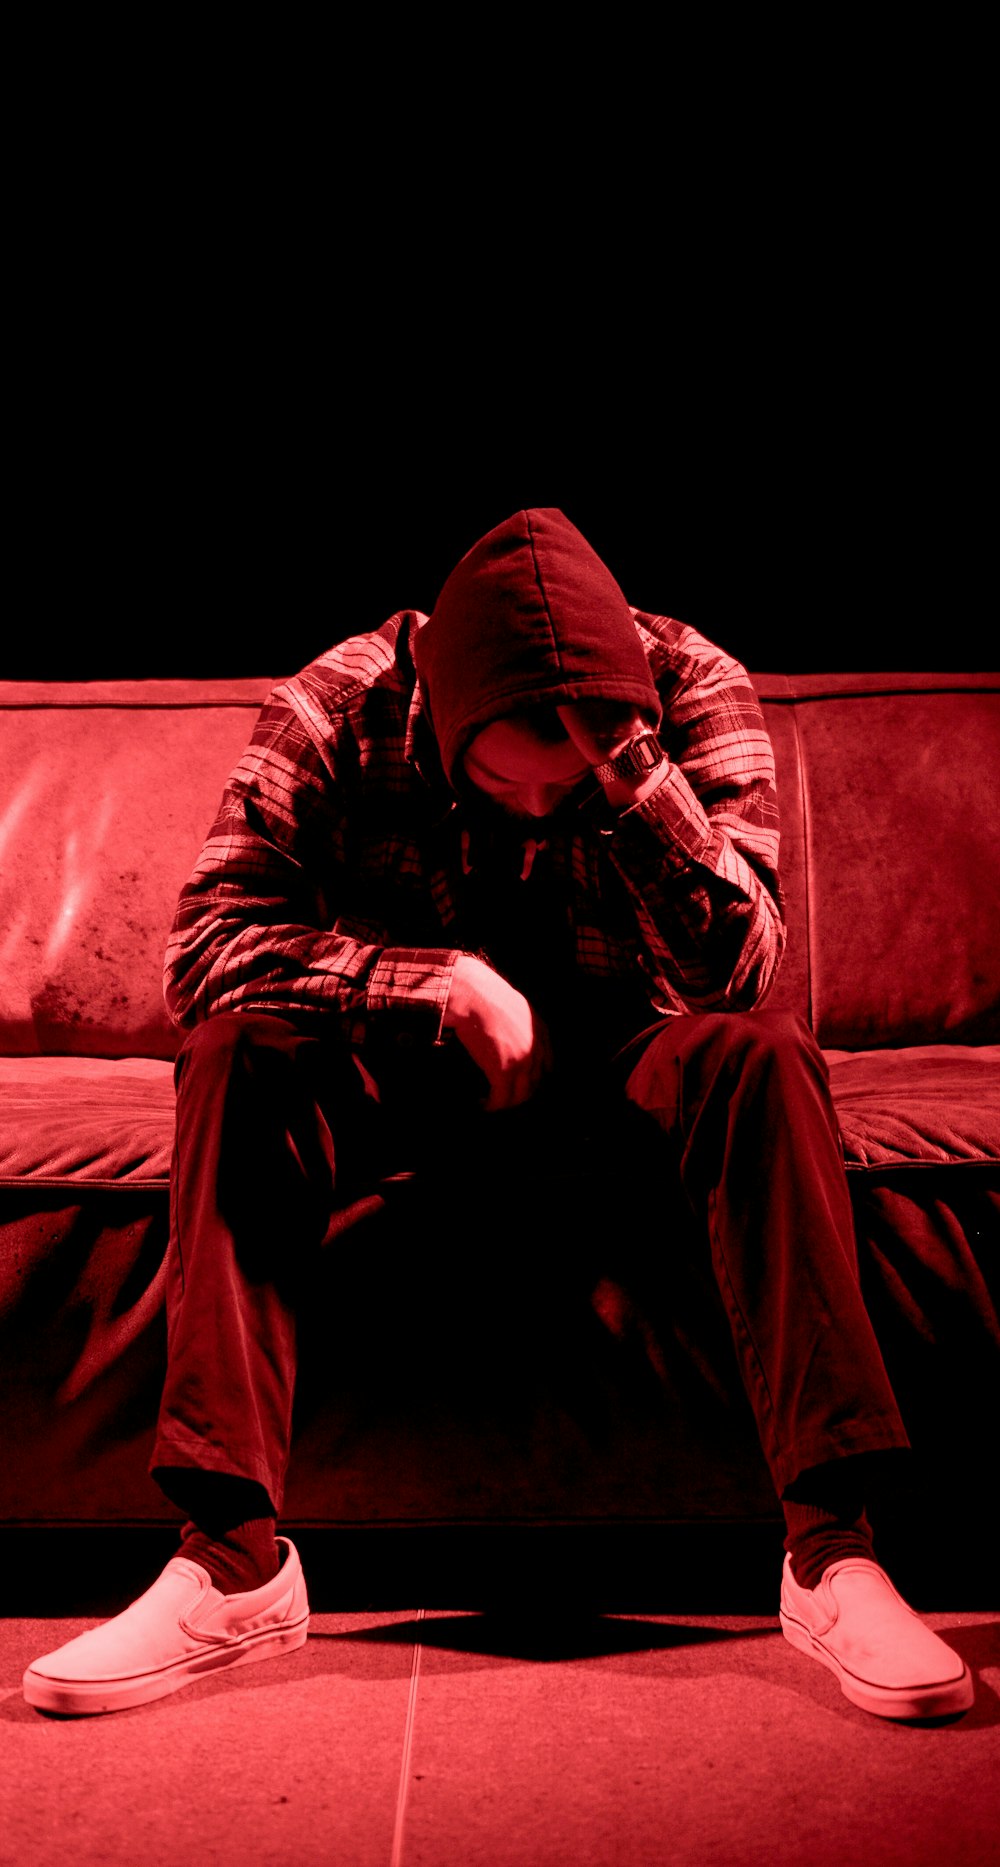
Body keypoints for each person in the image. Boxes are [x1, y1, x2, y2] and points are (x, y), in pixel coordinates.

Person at [23, 507, 973, 1721]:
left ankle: (834, 1553)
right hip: (407, 1069)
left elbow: (740, 974)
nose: (533, 809)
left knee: (763, 1053)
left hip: (632, 1055)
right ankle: (231, 1566)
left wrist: (630, 777)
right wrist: (432, 982)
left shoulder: (694, 690)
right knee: (236, 1052)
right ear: (444, 715)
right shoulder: (340, 699)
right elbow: (207, 947)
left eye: (558, 786)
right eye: (498, 781)